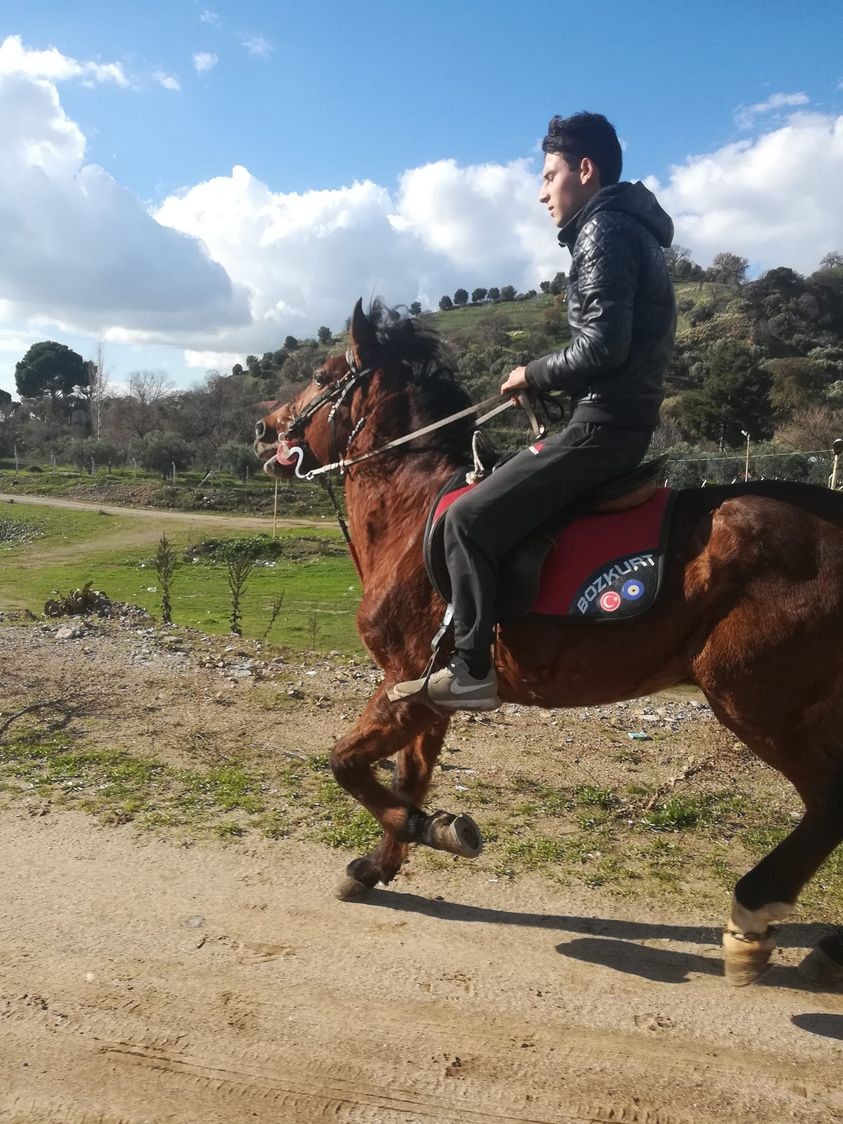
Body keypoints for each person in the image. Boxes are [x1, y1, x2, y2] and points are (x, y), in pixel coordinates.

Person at [392, 112, 677, 711]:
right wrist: (550, 384)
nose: (542, 192)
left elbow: (602, 347)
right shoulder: (630, 228)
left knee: (465, 520)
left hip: (602, 428)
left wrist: (532, 373)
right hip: (614, 420)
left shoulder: (604, 229)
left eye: (549, 176)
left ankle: (472, 670)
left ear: (585, 170)